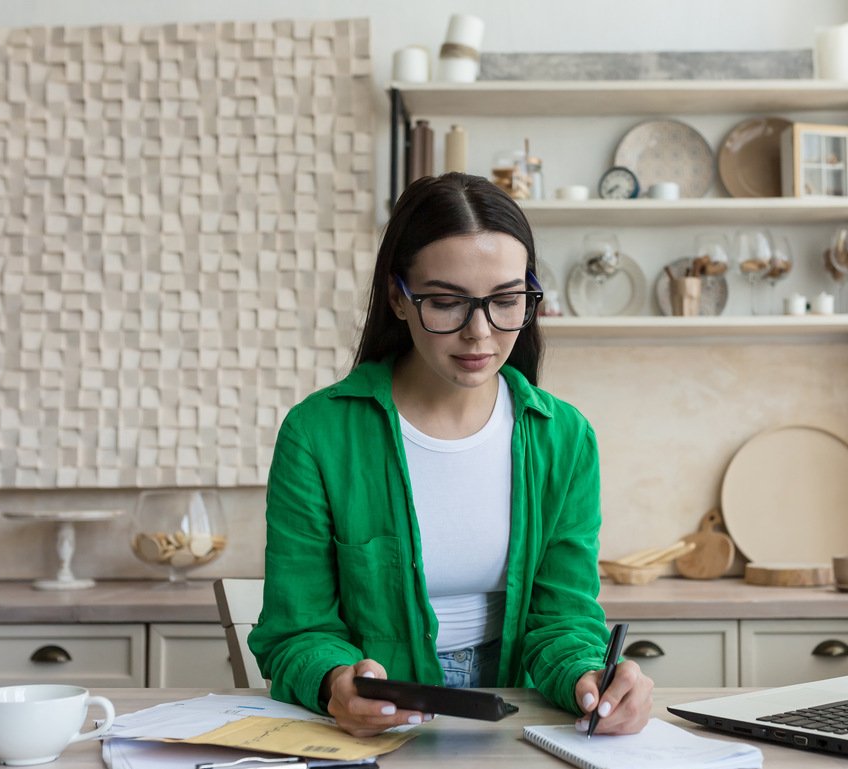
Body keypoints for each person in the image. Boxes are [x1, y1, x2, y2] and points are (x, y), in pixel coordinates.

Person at [249, 172, 654, 738]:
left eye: (506, 301)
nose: (479, 333)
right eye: (446, 303)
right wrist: (337, 681)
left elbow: (561, 622)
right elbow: (295, 632)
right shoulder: (319, 435)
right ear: (398, 297)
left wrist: (590, 677)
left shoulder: (564, 438)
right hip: (376, 731)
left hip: (518, 726)